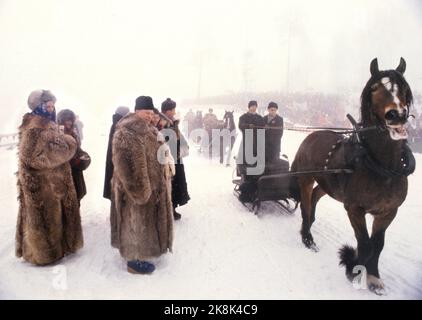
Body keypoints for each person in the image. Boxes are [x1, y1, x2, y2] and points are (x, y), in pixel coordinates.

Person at [16, 90, 83, 265]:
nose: (52, 108)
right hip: (43, 184)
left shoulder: (48, 125)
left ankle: (60, 248)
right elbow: (32, 157)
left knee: (56, 217)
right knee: (45, 220)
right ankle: (43, 254)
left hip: (53, 181)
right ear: (39, 106)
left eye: (53, 105)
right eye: (48, 105)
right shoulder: (35, 127)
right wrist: (69, 147)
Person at [110, 96, 173, 274]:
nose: (149, 116)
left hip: (150, 187)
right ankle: (133, 261)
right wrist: (140, 191)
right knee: (135, 222)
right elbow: (125, 165)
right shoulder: (127, 132)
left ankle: (144, 252)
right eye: (146, 112)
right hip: (135, 189)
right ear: (137, 111)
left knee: (143, 223)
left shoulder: (148, 130)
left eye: (151, 113)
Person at [161, 98, 190, 220]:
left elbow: (179, 137)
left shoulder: (172, 122)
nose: (174, 111)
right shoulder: (161, 123)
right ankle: (167, 211)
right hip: (167, 159)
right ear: (167, 110)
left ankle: (172, 208)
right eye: (173, 109)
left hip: (176, 158)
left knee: (176, 184)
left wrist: (183, 145)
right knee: (168, 184)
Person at [57, 109, 91, 205]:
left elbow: (78, 150)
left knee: (76, 202)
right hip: (63, 176)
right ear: (61, 121)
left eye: (70, 120)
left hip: (75, 174)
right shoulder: (57, 135)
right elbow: (58, 156)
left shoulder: (74, 134)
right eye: (66, 120)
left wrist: (85, 157)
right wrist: (73, 161)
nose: (69, 123)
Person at [103, 106, 130, 200]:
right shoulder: (119, 125)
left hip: (113, 159)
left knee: (115, 188)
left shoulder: (116, 123)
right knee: (117, 188)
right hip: (117, 160)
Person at [238, 100, 265, 166]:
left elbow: (262, 128)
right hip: (247, 141)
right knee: (246, 159)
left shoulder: (260, 117)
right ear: (249, 107)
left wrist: (265, 127)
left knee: (256, 159)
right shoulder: (243, 117)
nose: (254, 108)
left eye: (255, 106)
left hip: (257, 142)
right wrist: (248, 126)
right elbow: (241, 126)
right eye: (252, 106)